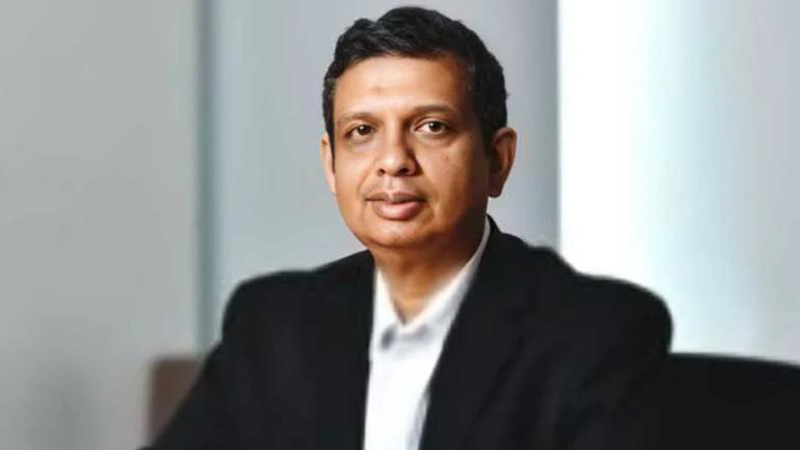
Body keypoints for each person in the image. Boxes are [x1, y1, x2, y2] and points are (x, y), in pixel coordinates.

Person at [148, 6, 671, 450]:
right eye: (362, 132)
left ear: (497, 160)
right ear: (331, 165)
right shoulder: (271, 325)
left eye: (431, 127)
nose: (393, 160)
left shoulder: (595, 332)